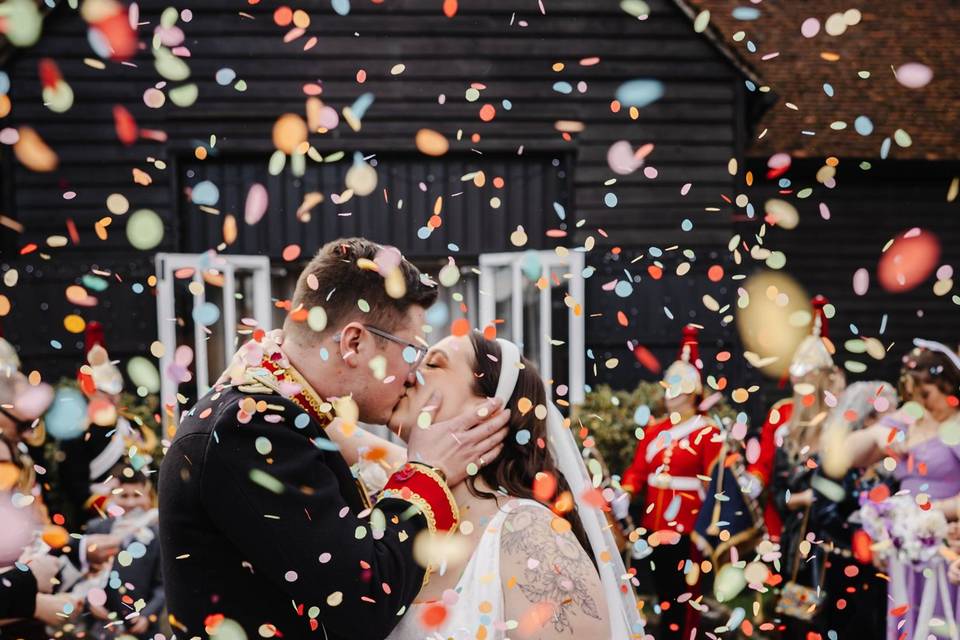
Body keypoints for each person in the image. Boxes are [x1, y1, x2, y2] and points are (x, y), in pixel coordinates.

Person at [158, 238, 511, 639]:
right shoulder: (250, 427)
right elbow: (363, 602)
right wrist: (424, 472)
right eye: (412, 352)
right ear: (354, 343)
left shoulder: (272, 412)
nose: (414, 374)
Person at [321, 330, 644, 638]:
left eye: (433, 363)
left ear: (486, 408)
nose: (408, 371)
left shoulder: (528, 531)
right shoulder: (399, 505)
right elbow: (330, 430)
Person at [842, 340, 960, 640]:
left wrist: (928, 512)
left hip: (947, 546)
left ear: (948, 386)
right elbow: (849, 453)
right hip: (907, 549)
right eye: (913, 395)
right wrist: (877, 434)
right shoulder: (908, 421)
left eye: (926, 394)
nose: (920, 402)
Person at [621, 325, 722, 639]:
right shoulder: (654, 430)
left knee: (685, 599)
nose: (670, 394)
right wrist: (626, 491)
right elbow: (638, 471)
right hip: (654, 524)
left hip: (688, 528)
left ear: (693, 392)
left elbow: (715, 482)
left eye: (678, 388)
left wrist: (708, 526)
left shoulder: (707, 432)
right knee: (663, 594)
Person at [769, 299, 845, 638]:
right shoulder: (788, 435)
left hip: (831, 544)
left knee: (828, 621)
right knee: (796, 622)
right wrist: (799, 499)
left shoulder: (838, 433)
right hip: (796, 544)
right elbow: (776, 488)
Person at [804, 381, 897, 639]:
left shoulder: (895, 464)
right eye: (888, 415)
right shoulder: (837, 460)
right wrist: (865, 539)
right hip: (842, 571)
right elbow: (825, 514)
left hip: (885, 572)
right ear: (868, 420)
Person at [747, 295, 835, 541]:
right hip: (782, 515)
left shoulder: (835, 414)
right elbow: (765, 461)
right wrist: (754, 478)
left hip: (823, 519)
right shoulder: (781, 412)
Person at [58, 323, 158, 529]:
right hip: (101, 515)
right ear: (91, 391)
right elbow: (74, 485)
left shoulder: (130, 425)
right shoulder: (77, 432)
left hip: (140, 508)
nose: (113, 397)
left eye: (116, 391)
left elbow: (145, 467)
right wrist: (108, 503)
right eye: (105, 392)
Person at [82, 462, 164, 638]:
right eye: (123, 496)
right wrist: (90, 602)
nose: (130, 502)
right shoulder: (97, 528)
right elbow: (85, 574)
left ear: (147, 495)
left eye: (136, 495)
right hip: (101, 625)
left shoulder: (157, 534)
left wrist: (147, 615)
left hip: (140, 626)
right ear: (112, 497)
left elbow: (162, 585)